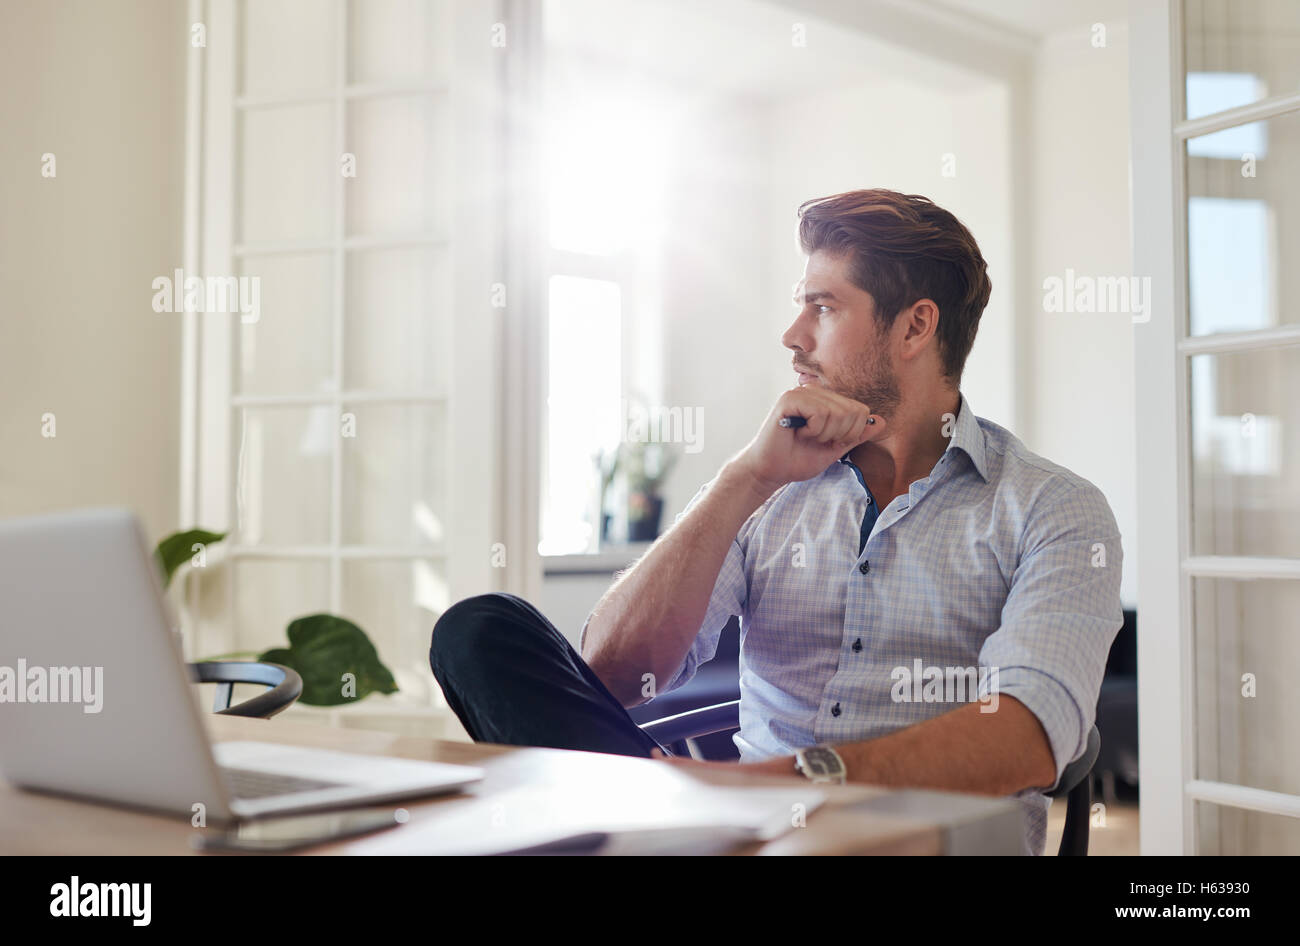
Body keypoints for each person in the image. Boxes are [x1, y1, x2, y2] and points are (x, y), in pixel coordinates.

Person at [430, 188, 1123, 855]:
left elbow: (1028, 735)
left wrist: (770, 787)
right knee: (480, 630)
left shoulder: (1052, 508)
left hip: (911, 849)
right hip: (743, 841)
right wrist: (745, 480)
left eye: (823, 307)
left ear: (915, 326)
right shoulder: (769, 484)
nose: (793, 336)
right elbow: (613, 675)